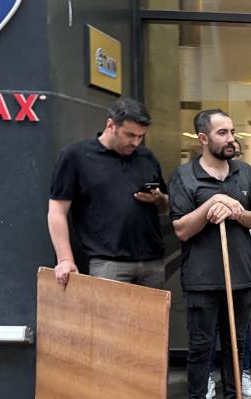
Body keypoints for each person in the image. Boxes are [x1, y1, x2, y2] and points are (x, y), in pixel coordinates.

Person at [168, 109, 251, 399]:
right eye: (223, 133)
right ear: (203, 138)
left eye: (232, 132)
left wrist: (237, 211)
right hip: (200, 279)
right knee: (200, 349)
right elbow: (182, 229)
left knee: (235, 347)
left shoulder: (246, 174)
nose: (231, 139)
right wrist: (210, 204)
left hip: (241, 276)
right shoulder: (184, 177)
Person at [48, 98, 167, 288]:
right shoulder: (75, 156)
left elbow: (165, 205)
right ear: (110, 125)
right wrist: (65, 259)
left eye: (141, 136)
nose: (136, 142)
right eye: (130, 135)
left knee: (153, 319)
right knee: (107, 319)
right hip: (107, 262)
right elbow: (57, 210)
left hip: (152, 261)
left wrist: (159, 199)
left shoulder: (147, 157)